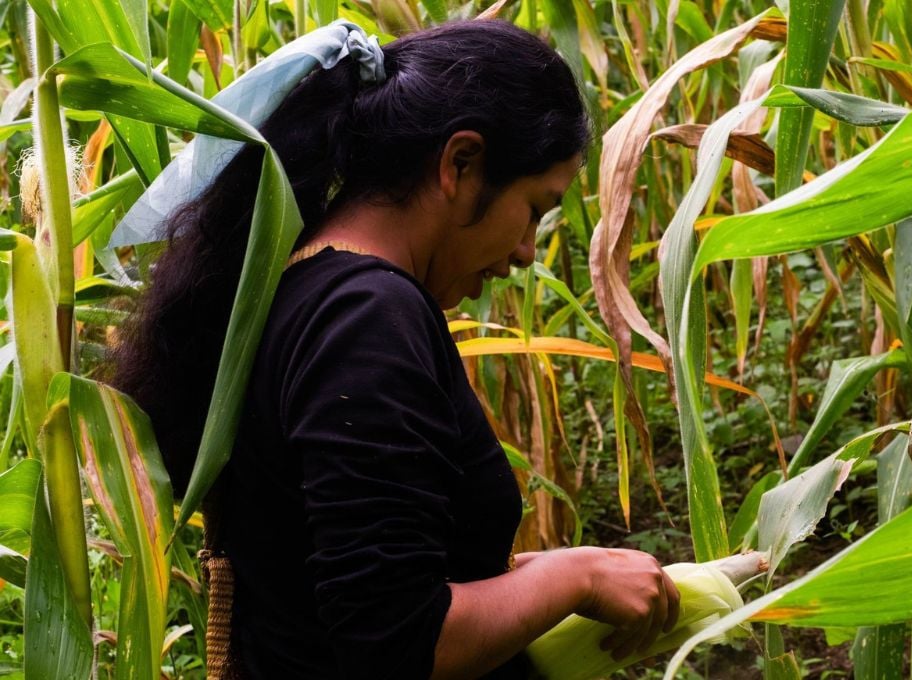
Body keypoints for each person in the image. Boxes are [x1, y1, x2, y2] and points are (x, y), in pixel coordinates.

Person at [112, 19, 679, 680]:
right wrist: (575, 577)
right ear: (460, 163)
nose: (526, 253)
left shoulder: (303, 292)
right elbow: (397, 645)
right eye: (534, 209)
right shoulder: (367, 321)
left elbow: (336, 585)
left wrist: (522, 581)